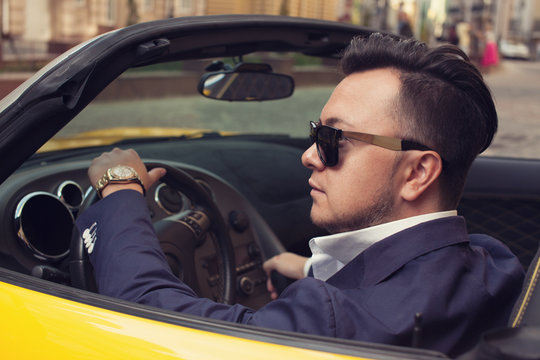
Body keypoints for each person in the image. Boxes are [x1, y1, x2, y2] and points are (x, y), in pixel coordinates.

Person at [76, 33, 524, 357]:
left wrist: (119, 188)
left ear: (418, 172)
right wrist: (312, 267)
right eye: (315, 133)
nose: (310, 156)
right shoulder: (494, 263)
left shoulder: (330, 324)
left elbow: (146, 313)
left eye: (334, 139)